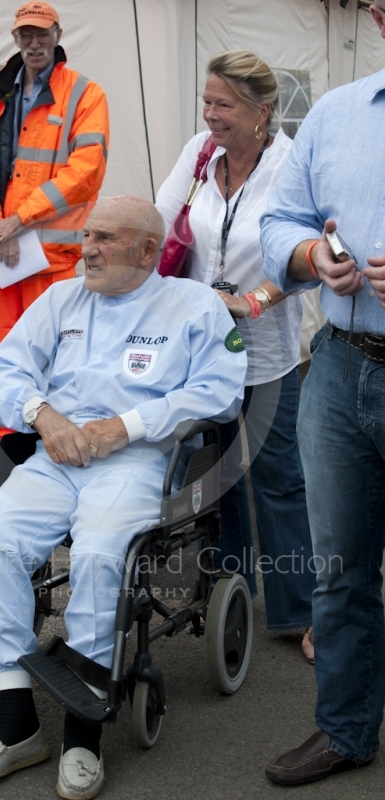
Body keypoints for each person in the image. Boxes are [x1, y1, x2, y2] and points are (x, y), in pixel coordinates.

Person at [0, 196, 247, 798]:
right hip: (56, 454)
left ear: (146, 250)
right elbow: (8, 369)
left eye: (105, 238)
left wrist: (127, 426)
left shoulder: (193, 306)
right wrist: (44, 416)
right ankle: (17, 721)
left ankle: (82, 733)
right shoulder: (62, 298)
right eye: (87, 235)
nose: (88, 247)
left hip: (134, 461)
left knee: (100, 554)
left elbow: (219, 394)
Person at [260, 4, 385, 785]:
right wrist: (309, 253)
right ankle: (345, 728)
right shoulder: (335, 114)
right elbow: (281, 220)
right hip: (339, 368)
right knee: (340, 569)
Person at [156, 50, 315, 659]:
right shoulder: (201, 152)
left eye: (223, 104)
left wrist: (256, 300)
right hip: (201, 350)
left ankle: (299, 609)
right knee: (215, 474)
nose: (210, 113)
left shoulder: (290, 162)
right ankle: (231, 588)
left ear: (261, 111)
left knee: (280, 480)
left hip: (268, 348)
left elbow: (312, 249)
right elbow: (163, 217)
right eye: (207, 101)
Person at [0, 2, 109, 450]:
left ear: (58, 34)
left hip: (50, 258)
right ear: (15, 38)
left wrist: (18, 221)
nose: (34, 43)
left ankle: (51, 443)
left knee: (53, 356)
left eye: (41, 34)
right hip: (1, 255)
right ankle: (6, 446)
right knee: (0, 350)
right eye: (25, 35)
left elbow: (85, 172)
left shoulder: (85, 94)